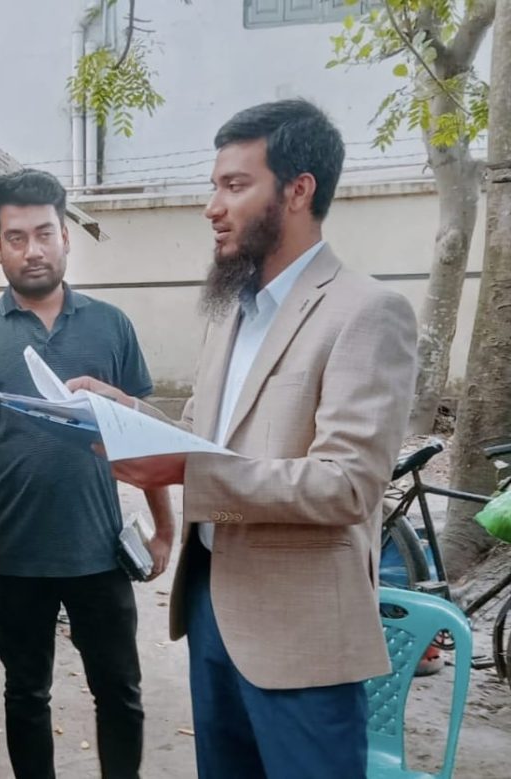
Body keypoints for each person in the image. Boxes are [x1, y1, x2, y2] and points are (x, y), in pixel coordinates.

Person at [70, 100, 417, 778]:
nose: (212, 207)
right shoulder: (232, 312)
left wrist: (184, 470)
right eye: (215, 186)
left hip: (302, 635)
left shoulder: (366, 312)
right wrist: (126, 413)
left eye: (234, 185)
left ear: (298, 190)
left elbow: (348, 483)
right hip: (212, 609)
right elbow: (208, 440)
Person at [0, 168, 175, 779]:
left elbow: (144, 435)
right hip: (17, 555)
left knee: (119, 691)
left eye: (44, 233)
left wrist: (164, 528)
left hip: (100, 551)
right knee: (25, 694)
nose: (33, 250)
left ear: (66, 236)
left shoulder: (110, 326)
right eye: (16, 237)